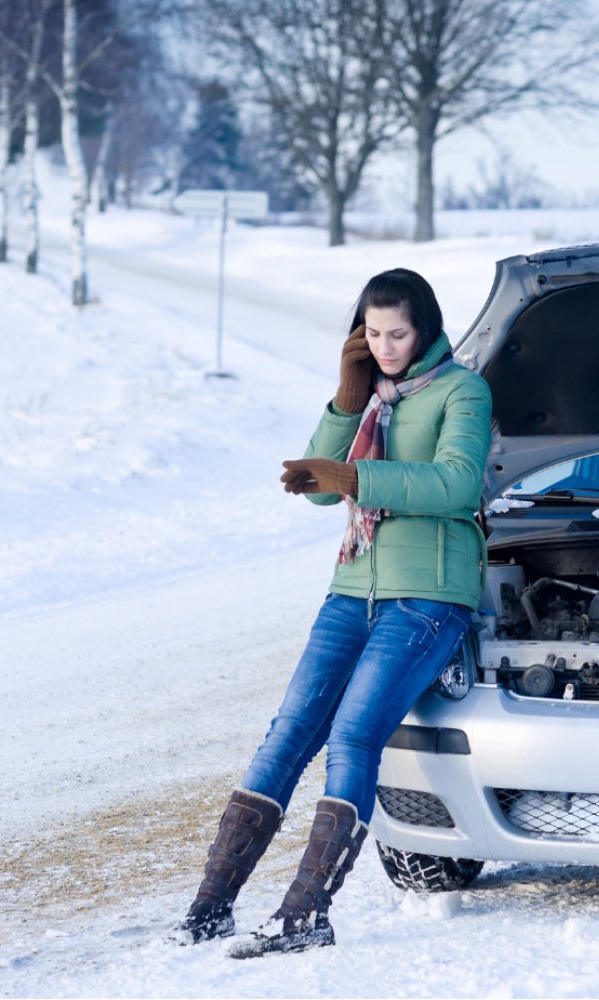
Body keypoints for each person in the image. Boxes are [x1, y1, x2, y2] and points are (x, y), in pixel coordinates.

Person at [171, 268, 493, 959]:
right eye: (372, 333)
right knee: (286, 734)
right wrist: (346, 403)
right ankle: (209, 906)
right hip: (354, 587)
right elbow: (321, 493)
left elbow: (456, 482)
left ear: (427, 328)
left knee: (352, 737)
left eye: (397, 333)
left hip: (429, 595)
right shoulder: (370, 399)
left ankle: (306, 912)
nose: (384, 346)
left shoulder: (462, 390)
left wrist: (353, 476)